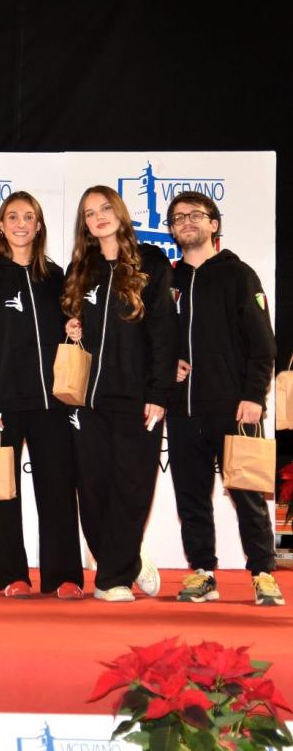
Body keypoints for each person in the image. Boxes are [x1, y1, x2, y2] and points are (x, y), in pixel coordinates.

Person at [0, 191, 85, 600]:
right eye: (12, 217)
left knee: (58, 490)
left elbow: (70, 330)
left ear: (39, 225)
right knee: (2, 489)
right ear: (1, 226)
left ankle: (64, 576)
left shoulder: (55, 276)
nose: (20, 224)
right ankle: (10, 575)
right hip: (2, 405)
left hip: (53, 404)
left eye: (28, 217)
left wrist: (73, 329)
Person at [165, 191, 283, 606]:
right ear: (172, 230)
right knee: (191, 498)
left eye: (196, 215)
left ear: (214, 224)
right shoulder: (168, 281)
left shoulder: (239, 275)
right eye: (178, 218)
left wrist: (254, 396)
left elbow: (263, 345)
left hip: (235, 408)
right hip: (183, 409)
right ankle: (202, 573)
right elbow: (155, 340)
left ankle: (263, 573)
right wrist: (167, 368)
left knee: (248, 495)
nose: (187, 222)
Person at [62, 185, 176, 603]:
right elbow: (70, 322)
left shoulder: (151, 262)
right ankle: (125, 556)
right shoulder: (81, 268)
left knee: (131, 487)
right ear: (85, 225)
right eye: (90, 213)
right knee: (93, 490)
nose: (99, 217)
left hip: (136, 398)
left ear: (121, 212)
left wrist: (158, 391)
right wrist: (71, 326)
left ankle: (113, 577)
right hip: (87, 401)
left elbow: (164, 332)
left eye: (105, 208)